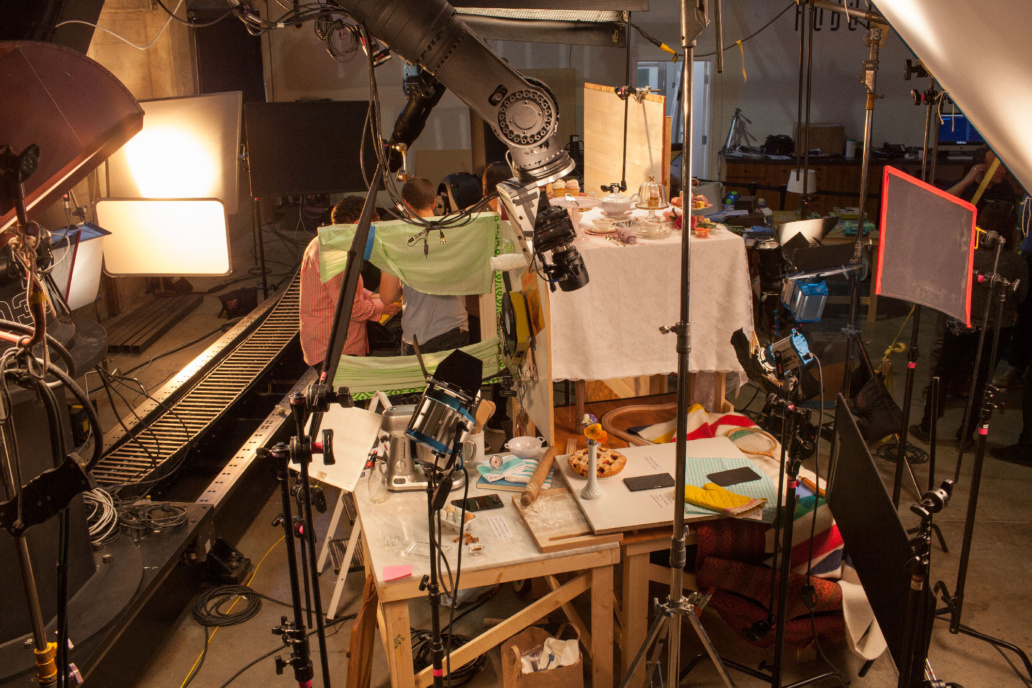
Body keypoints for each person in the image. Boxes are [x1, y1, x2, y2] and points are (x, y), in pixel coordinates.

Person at [912, 147, 1020, 446]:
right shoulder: (1014, 260)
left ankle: (935, 419)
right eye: (995, 166)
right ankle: (954, 422)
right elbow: (940, 203)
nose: (1001, 170)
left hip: (970, 308)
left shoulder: (1004, 194)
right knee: (961, 362)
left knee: (957, 366)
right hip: (983, 312)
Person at [299, 196, 396, 367]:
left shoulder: (321, 242)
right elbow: (352, 309)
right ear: (358, 224)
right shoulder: (335, 255)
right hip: (335, 349)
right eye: (373, 229)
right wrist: (384, 305)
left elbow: (346, 288)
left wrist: (372, 296)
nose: (373, 236)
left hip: (326, 344)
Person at [379, 178, 469, 355]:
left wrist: (403, 285)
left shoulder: (397, 239)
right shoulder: (456, 231)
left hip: (418, 335)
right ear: (434, 202)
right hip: (455, 327)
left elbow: (387, 296)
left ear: (405, 204)